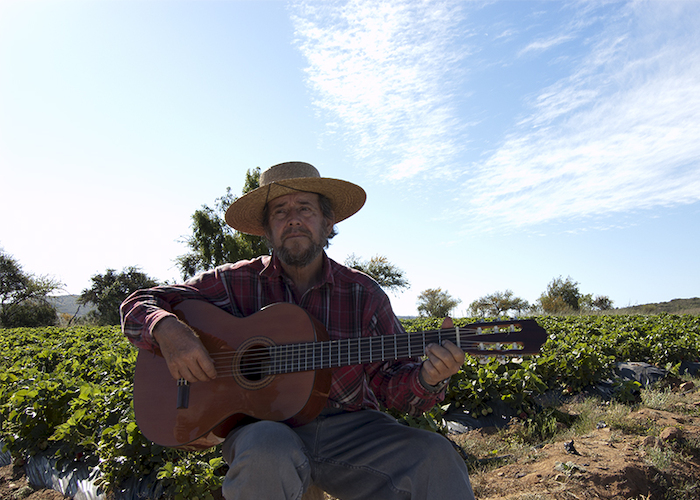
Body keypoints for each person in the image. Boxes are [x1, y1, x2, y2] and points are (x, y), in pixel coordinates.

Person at [120, 161, 476, 500]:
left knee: (435, 456)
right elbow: (139, 302)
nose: (293, 220)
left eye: (305, 208)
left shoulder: (363, 293)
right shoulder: (234, 281)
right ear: (267, 228)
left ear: (327, 222)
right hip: (263, 429)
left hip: (352, 431)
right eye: (280, 212)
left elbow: (392, 386)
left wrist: (429, 378)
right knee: (264, 451)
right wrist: (168, 329)